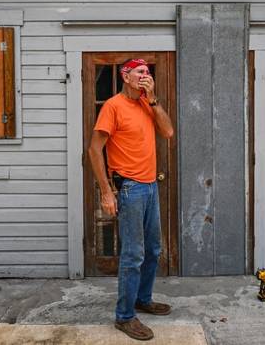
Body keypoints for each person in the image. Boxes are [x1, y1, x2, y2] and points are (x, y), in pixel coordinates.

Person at [88, 58, 175, 341]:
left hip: (150, 186)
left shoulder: (146, 104)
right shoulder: (113, 106)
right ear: (126, 76)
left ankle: (142, 299)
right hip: (129, 188)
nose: (145, 75)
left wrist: (153, 100)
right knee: (133, 254)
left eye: (148, 72)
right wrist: (105, 191)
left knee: (152, 249)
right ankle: (124, 316)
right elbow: (94, 149)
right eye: (139, 72)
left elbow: (168, 132)